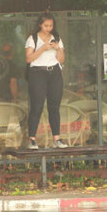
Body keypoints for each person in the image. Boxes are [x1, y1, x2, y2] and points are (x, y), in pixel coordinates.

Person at [25, 13, 68, 150]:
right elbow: (29, 58)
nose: (48, 28)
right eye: (46, 26)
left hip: (54, 72)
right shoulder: (33, 38)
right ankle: (32, 139)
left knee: (54, 106)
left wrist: (58, 49)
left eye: (51, 26)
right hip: (37, 72)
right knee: (37, 106)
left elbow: (61, 60)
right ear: (40, 25)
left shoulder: (57, 38)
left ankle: (57, 138)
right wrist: (43, 48)